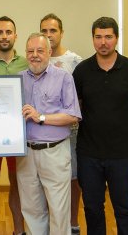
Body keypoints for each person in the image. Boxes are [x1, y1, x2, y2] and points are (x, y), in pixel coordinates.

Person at [73, 17, 128, 235]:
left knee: (124, 208)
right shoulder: (82, 71)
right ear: (93, 39)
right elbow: (75, 109)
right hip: (89, 153)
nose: (103, 42)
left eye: (108, 36)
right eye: (98, 37)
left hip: (123, 154)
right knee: (92, 208)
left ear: (116, 38)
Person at [17, 32, 81, 235]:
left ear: (49, 52)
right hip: (26, 153)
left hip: (54, 152)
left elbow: (73, 116)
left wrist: (41, 117)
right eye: (30, 51)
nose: (35, 55)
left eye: (40, 50)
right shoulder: (17, 80)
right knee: (31, 209)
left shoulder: (63, 77)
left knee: (59, 210)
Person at [40, 13, 83, 235]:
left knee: (72, 178)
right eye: (44, 31)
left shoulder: (75, 62)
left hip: (70, 132)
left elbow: (81, 100)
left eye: (53, 30)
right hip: (41, 133)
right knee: (46, 182)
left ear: (61, 33)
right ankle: (52, 226)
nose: (48, 35)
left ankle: (72, 224)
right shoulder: (36, 58)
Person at [0, 16, 27, 235]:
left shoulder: (27, 62)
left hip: (18, 134)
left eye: (8, 32)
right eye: (0, 32)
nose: (4, 36)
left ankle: (18, 231)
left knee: (17, 183)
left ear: (15, 36)